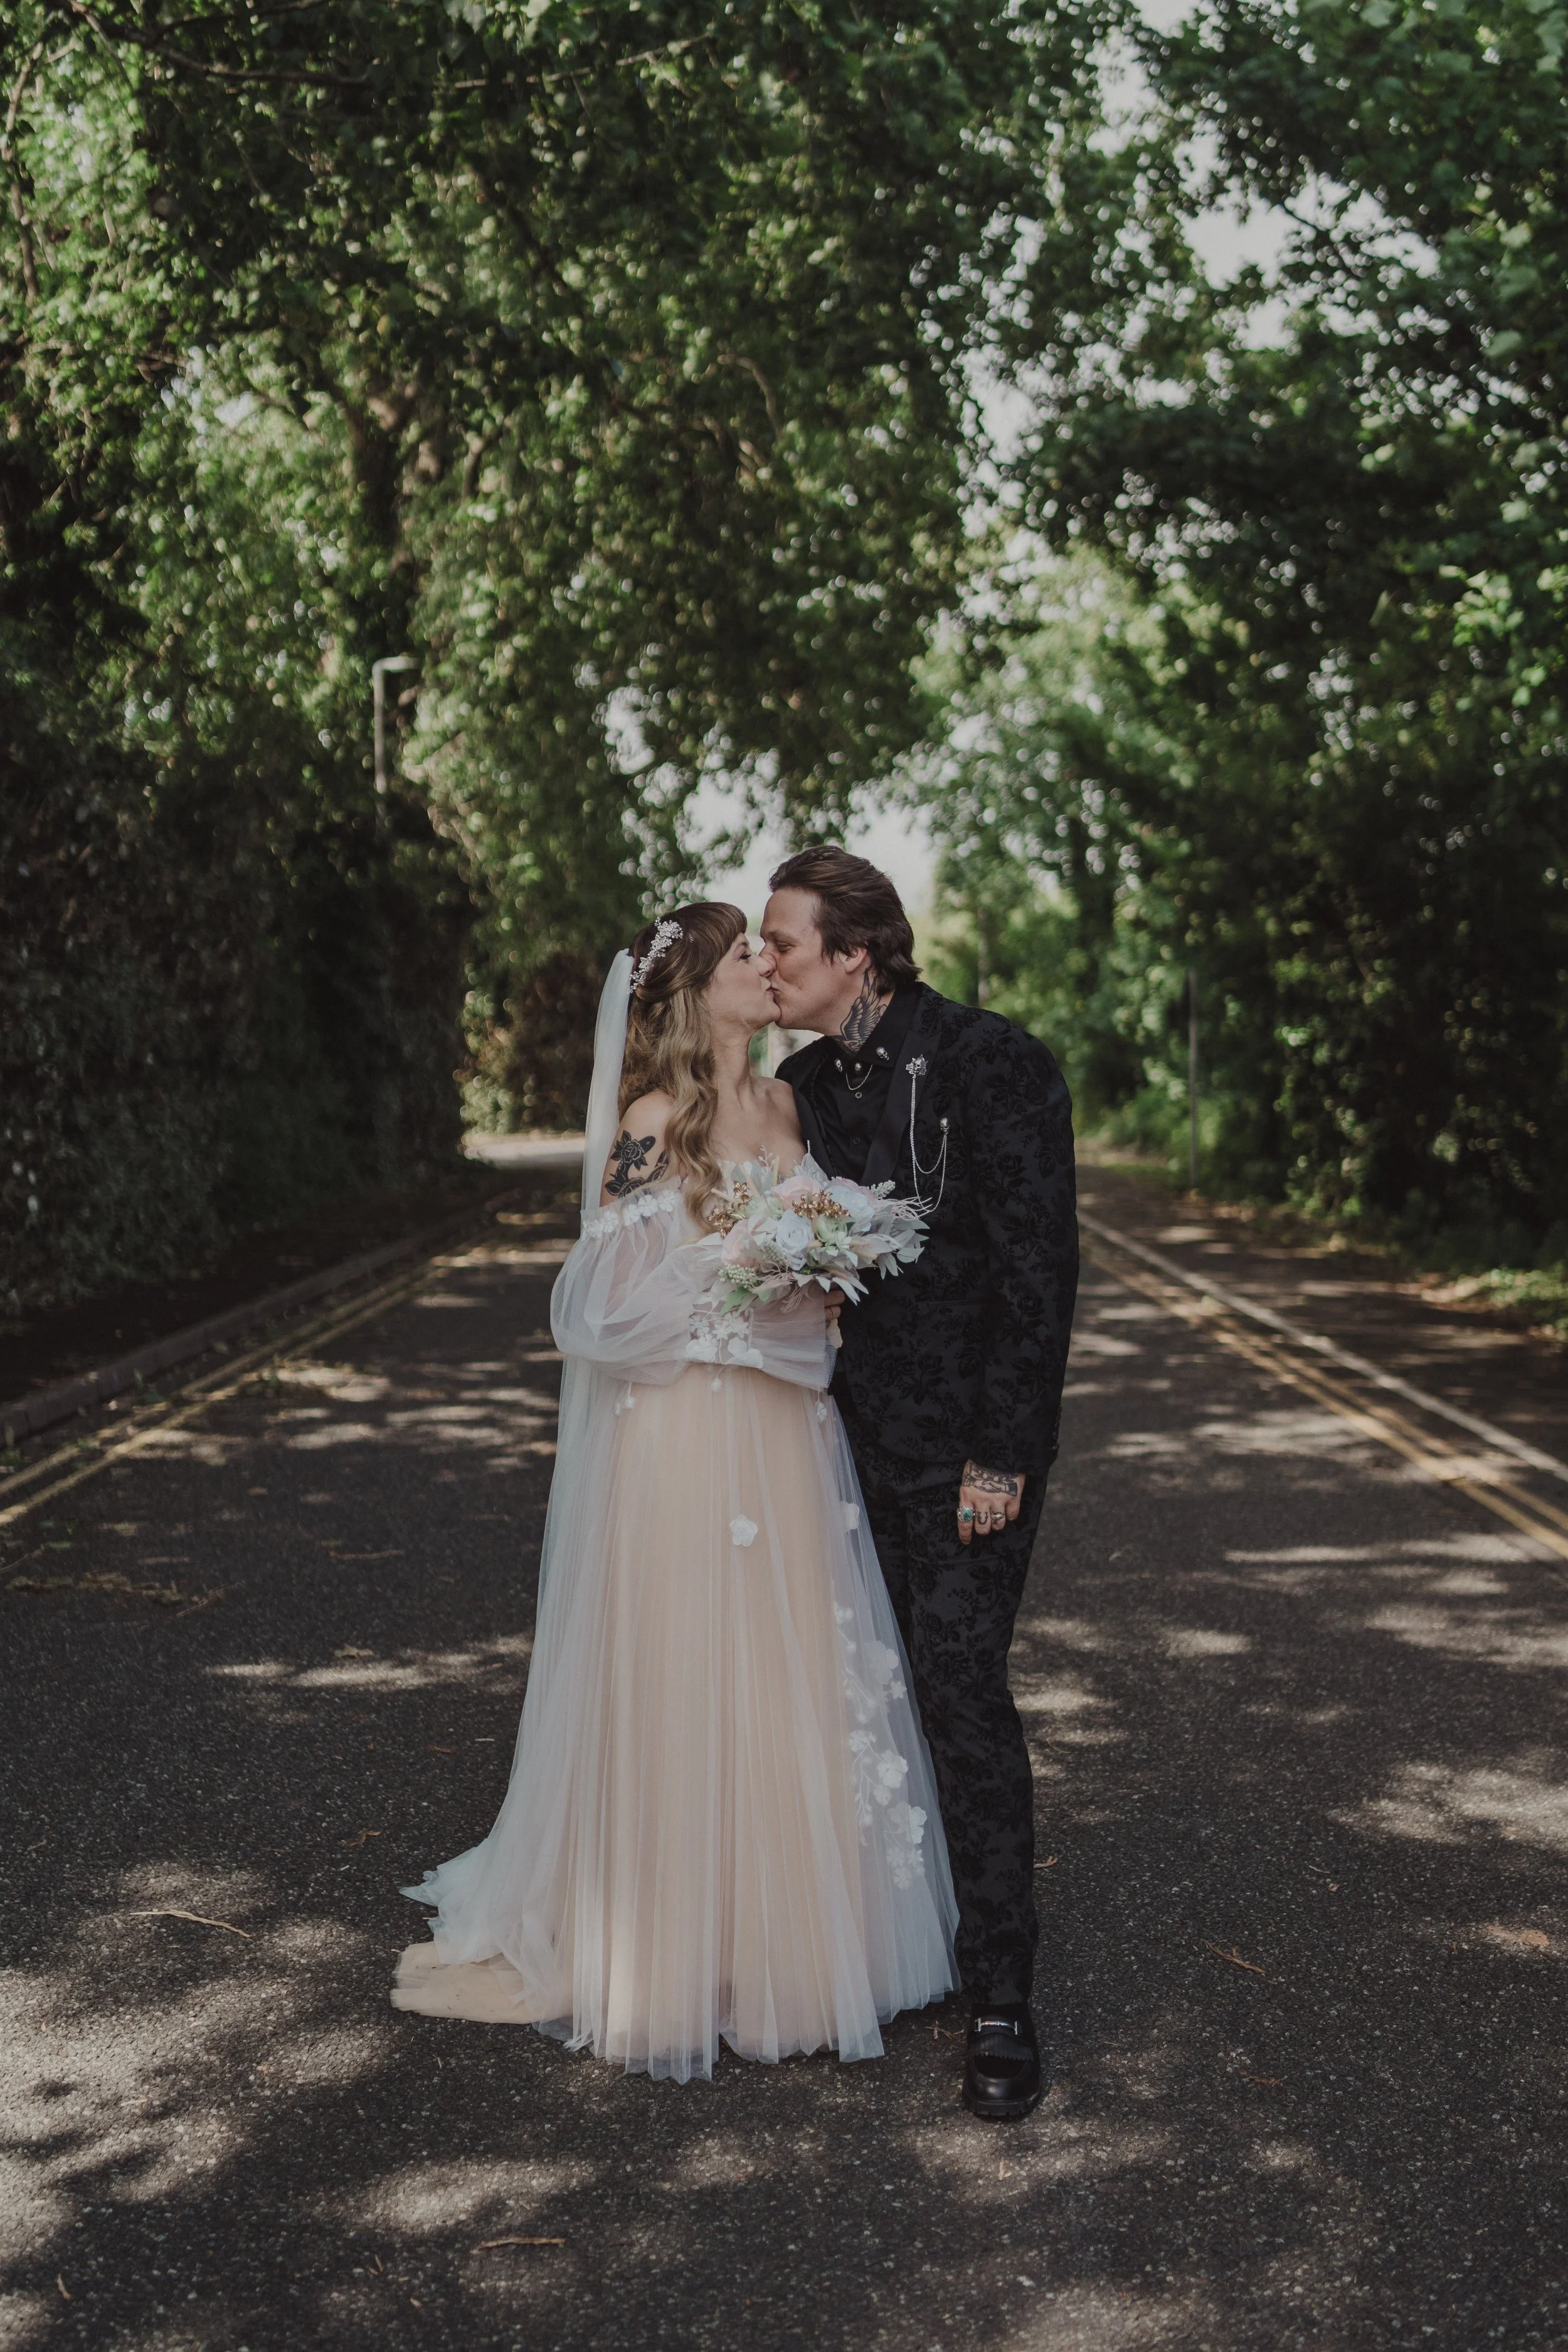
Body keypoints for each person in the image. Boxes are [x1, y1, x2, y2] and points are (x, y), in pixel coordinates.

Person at [391, 903, 956, 2080]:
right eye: (745, 951)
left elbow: (822, 1269)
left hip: (790, 1438)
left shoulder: (793, 1105)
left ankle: (786, 1946)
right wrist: (746, 1280)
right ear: (699, 991)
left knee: (789, 1661)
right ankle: (671, 1944)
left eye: (769, 945)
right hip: (690, 1441)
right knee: (693, 1667)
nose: (767, 961)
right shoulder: (652, 1124)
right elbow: (597, 1312)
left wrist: (821, 1274)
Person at [760, 847, 1078, 2121]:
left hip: (967, 1457)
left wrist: (1001, 1451)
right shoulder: (791, 1086)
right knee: (874, 1698)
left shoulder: (996, 1062)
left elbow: (1037, 1276)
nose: (765, 961)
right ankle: (905, 1939)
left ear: (856, 952)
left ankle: (1001, 1993)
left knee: (958, 1694)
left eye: (782, 939)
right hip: (843, 1446)